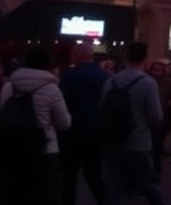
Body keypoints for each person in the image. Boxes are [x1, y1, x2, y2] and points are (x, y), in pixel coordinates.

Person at [0, 46, 72, 205]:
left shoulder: (9, 86)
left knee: (14, 193)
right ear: (48, 64)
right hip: (45, 148)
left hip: (12, 146)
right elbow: (64, 123)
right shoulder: (51, 89)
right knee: (47, 195)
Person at [100, 42, 167, 205]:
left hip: (112, 141)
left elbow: (101, 110)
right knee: (147, 183)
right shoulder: (148, 83)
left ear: (126, 57)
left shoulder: (111, 81)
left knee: (112, 187)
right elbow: (156, 117)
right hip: (138, 142)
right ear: (145, 58)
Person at [58, 43, 109, 205]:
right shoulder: (104, 76)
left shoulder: (69, 77)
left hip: (72, 132)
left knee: (69, 175)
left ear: (76, 55)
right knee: (94, 174)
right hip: (96, 131)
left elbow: (62, 103)